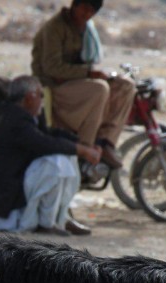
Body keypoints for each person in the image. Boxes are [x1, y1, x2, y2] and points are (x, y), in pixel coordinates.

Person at [0, 75, 101, 236]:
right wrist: (82, 150)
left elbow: (48, 134)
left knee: (67, 156)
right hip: (11, 196)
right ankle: (45, 223)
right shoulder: (14, 120)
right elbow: (44, 143)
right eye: (40, 95)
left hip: (21, 183)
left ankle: (60, 218)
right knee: (56, 162)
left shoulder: (28, 116)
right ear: (29, 98)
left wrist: (83, 145)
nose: (42, 99)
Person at [31, 0, 135, 169]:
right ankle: (85, 150)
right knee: (99, 89)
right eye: (84, 9)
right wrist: (89, 73)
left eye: (91, 11)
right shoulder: (55, 27)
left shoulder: (85, 29)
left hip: (75, 83)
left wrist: (98, 73)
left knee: (125, 85)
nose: (86, 15)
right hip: (53, 87)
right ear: (75, 5)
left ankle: (105, 142)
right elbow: (52, 68)